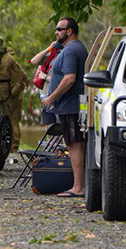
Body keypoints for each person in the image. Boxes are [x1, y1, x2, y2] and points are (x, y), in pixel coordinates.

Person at [41, 17, 88, 198]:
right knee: (72, 142)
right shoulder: (70, 49)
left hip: (71, 106)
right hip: (69, 106)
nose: (56, 32)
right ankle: (78, 185)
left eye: (59, 29)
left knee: (74, 144)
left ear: (69, 31)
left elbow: (69, 78)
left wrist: (51, 97)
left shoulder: (71, 51)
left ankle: (78, 187)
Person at [30, 41, 64, 125]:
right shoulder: (50, 56)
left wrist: (45, 77)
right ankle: (50, 138)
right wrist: (49, 49)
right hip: (45, 94)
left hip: (58, 95)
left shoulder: (65, 57)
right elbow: (33, 61)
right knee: (48, 123)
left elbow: (64, 79)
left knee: (60, 124)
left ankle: (61, 138)